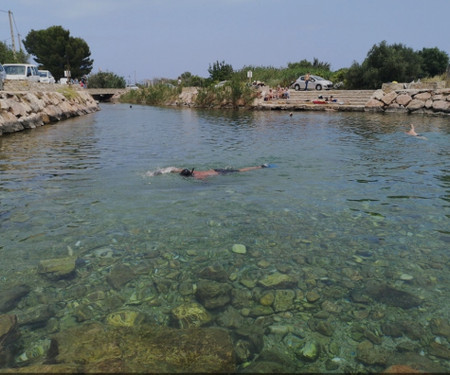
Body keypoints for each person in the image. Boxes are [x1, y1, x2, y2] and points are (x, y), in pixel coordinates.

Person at [172, 164, 271, 179]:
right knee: (239, 170)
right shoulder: (196, 172)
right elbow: (176, 169)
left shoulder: (197, 177)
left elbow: (206, 182)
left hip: (220, 173)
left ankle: (261, 166)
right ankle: (261, 166)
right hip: (215, 170)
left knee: (240, 171)